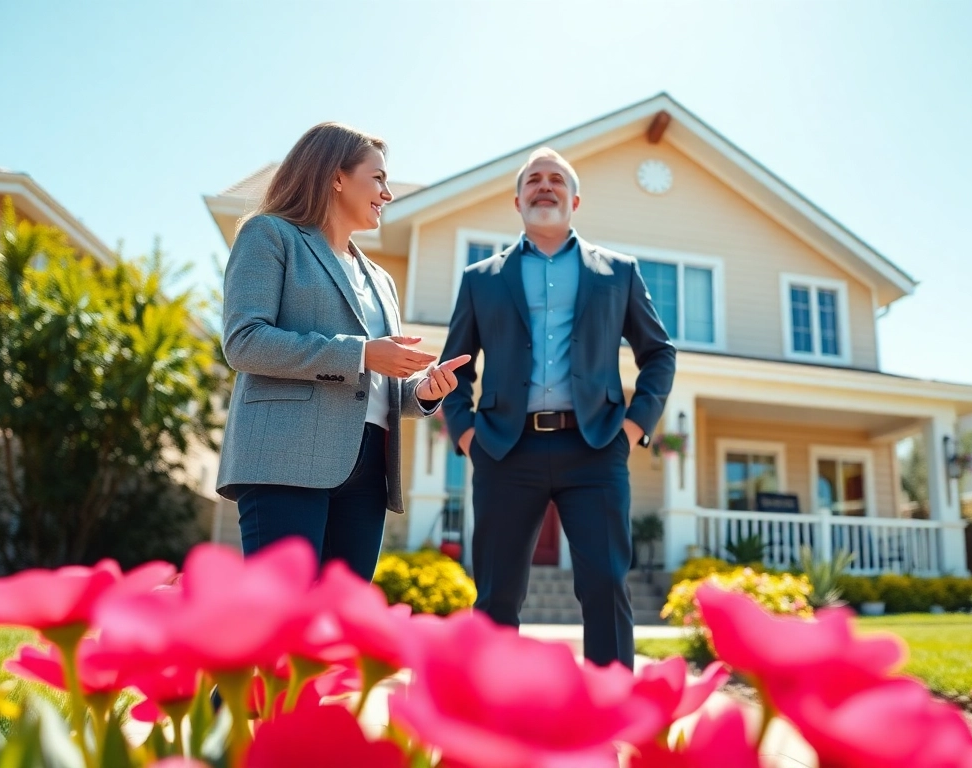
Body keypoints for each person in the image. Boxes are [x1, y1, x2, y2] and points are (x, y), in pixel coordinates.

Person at [439, 147, 676, 668]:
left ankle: (608, 724)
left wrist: (635, 427)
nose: (544, 186)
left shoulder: (619, 272)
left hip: (595, 450)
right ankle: (489, 731)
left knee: (605, 589)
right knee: (496, 596)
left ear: (575, 199)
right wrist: (465, 433)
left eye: (556, 180)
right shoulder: (481, 278)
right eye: (533, 180)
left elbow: (658, 354)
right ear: (517, 200)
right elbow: (455, 365)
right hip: (504, 450)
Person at [217, 122, 469, 580]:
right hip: (285, 459)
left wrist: (424, 392)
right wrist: (361, 354)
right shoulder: (270, 235)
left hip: (369, 468)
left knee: (339, 630)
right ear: (336, 177)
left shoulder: (382, 280)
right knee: (285, 623)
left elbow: (378, 382)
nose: (387, 194)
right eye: (378, 178)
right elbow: (244, 342)